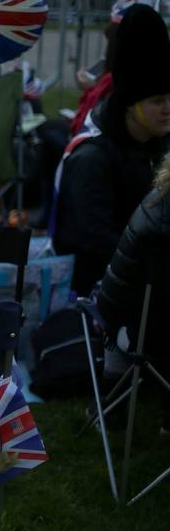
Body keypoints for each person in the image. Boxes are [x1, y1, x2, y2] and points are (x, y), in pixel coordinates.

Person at [52, 3, 170, 295]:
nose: (168, 109)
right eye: (157, 101)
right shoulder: (92, 158)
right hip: (103, 293)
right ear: (130, 105)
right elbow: (95, 243)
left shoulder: (159, 143)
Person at [96, 151, 170, 434]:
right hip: (156, 336)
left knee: (112, 321)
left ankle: (111, 410)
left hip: (148, 340)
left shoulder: (152, 210)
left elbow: (111, 301)